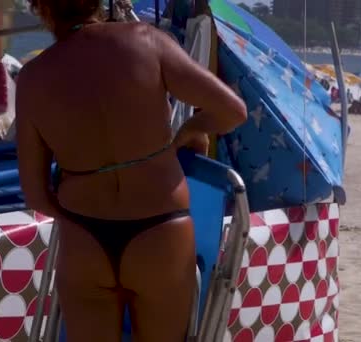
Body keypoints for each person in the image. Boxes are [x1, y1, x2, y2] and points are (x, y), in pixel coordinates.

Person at [16, 1, 247, 341]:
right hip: (160, 230)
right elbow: (232, 110)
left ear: (41, 8)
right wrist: (188, 131)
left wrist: (78, 211)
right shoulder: (146, 41)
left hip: (85, 236)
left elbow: (35, 193)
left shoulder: (33, 77)